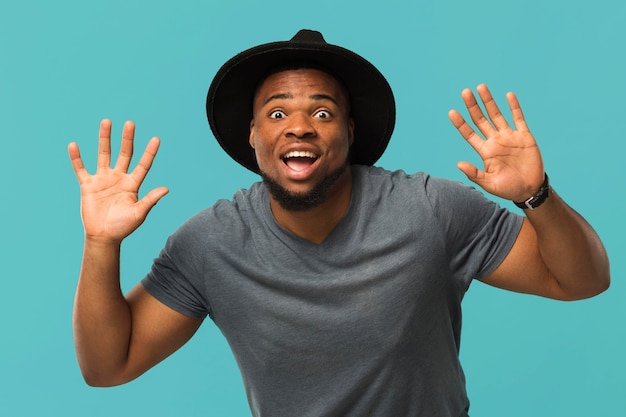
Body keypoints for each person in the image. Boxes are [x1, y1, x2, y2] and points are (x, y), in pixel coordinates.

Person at [68, 29, 610, 417]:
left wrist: (536, 196)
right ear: (252, 136)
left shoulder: (431, 209)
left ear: (350, 131)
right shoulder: (210, 243)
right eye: (277, 113)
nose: (300, 126)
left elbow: (583, 282)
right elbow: (107, 366)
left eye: (322, 113)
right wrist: (100, 244)